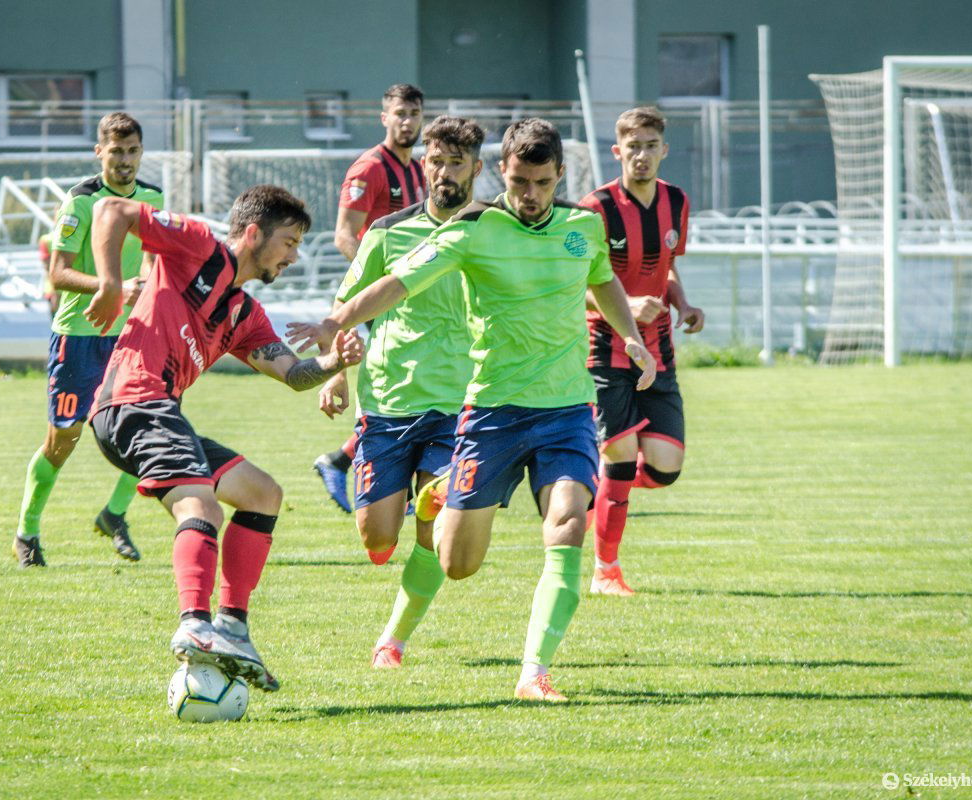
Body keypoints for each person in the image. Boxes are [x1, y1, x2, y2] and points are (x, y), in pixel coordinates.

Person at [289, 119, 657, 702]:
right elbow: (399, 283)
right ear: (502, 175)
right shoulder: (476, 228)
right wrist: (336, 323)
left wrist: (630, 336)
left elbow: (603, 279)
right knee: (457, 562)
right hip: (491, 413)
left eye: (540, 182)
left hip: (565, 409)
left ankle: (534, 671)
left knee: (565, 522)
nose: (530, 194)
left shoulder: (584, 226)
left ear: (559, 174)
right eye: (518, 182)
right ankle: (437, 497)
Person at [83, 185, 363, 692]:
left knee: (263, 494)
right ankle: (194, 623)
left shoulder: (245, 315)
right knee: (203, 507)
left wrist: (334, 364)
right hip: (132, 402)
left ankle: (232, 627)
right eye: (289, 242)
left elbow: (294, 373)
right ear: (253, 234)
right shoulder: (195, 246)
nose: (295, 257)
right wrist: (107, 284)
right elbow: (112, 209)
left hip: (159, 411)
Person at [316, 116, 483, 668]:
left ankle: (393, 639)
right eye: (435, 161)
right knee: (375, 538)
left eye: (456, 162)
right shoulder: (389, 231)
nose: (443, 172)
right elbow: (349, 303)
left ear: (476, 169)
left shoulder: (491, 232)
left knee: (433, 525)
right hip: (387, 402)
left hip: (457, 404)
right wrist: (336, 371)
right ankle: (403, 508)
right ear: (423, 165)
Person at [13, 112, 163, 568]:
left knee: (152, 428)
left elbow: (155, 261)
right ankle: (28, 532)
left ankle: (114, 515)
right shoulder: (79, 202)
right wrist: (112, 287)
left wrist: (153, 298)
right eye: (115, 151)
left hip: (130, 336)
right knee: (65, 441)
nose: (125, 161)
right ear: (99, 152)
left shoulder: (152, 196)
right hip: (79, 336)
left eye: (132, 151)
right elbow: (57, 273)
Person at [581, 107, 705, 597]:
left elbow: (666, 269)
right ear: (618, 152)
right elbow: (576, 284)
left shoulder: (677, 202)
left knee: (664, 466)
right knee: (620, 458)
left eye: (651, 146)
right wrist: (624, 303)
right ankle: (605, 571)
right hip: (606, 352)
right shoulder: (596, 208)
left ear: (663, 150)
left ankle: (592, 488)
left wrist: (683, 303)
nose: (642, 156)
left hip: (660, 353)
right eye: (633, 147)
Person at [314, 83, 427, 513]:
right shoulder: (368, 169)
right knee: (403, 386)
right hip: (379, 295)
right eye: (399, 113)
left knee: (414, 382)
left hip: (411, 293)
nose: (407, 121)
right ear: (384, 117)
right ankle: (376, 476)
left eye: (414, 114)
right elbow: (345, 235)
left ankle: (342, 460)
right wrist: (381, 274)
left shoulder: (419, 170)